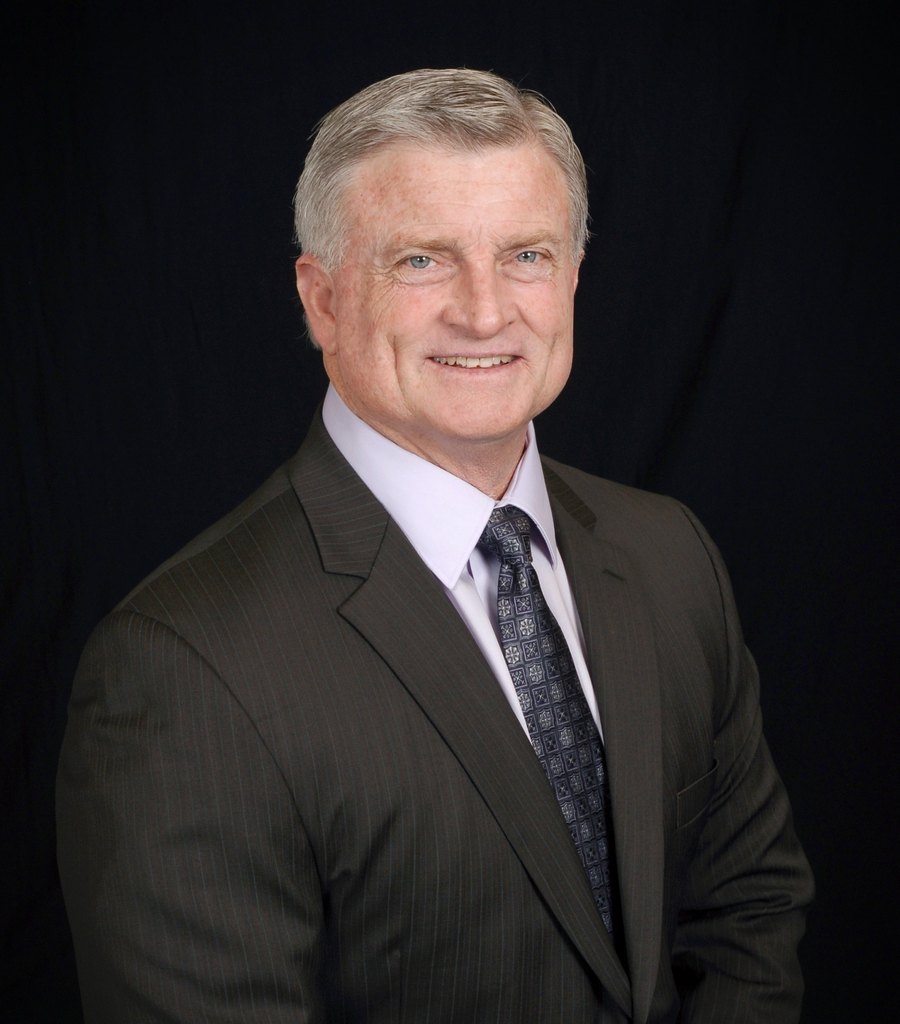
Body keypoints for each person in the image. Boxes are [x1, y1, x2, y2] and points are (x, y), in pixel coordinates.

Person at [57, 68, 813, 1023]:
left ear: (572, 279)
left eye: (527, 255)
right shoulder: (180, 668)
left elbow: (749, 912)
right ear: (322, 299)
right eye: (422, 260)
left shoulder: (670, 556)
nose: (486, 312)